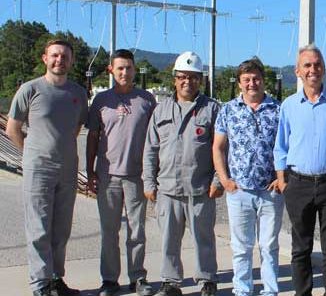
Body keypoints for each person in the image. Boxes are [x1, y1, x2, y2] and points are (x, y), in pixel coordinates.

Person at [6, 39, 88, 296]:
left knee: (61, 228)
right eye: (54, 56)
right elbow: (12, 129)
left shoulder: (78, 93)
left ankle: (55, 279)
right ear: (45, 58)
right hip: (38, 170)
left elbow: (75, 130)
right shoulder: (30, 90)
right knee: (39, 228)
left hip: (67, 169)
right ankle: (40, 284)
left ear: (71, 61)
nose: (59, 60)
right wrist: (32, 154)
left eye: (64, 56)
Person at [273, 45, 326, 296]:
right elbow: (280, 147)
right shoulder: (288, 105)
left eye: (317, 64)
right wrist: (283, 182)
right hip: (299, 185)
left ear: (324, 69)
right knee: (301, 248)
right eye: (307, 65)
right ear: (298, 71)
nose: (312, 70)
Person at [142, 51, 222, 296]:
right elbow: (150, 149)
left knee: (204, 239)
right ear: (175, 79)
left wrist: (218, 180)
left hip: (200, 188)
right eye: (183, 77)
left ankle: (207, 280)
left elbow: (221, 149)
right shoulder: (161, 110)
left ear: (201, 80)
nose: (188, 81)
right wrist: (148, 182)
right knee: (168, 240)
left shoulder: (212, 109)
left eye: (194, 77)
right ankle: (170, 281)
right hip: (167, 188)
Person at [86, 49, 156, 296]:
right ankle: (109, 280)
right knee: (109, 231)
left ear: (135, 69)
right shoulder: (101, 101)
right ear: (111, 71)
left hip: (137, 175)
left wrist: (152, 174)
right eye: (120, 68)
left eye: (129, 68)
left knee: (137, 231)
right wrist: (90, 170)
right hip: (108, 176)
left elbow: (154, 140)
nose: (125, 72)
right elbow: (93, 137)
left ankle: (137, 277)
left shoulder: (147, 100)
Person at [212, 57, 283, 296]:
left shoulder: (278, 109)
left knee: (269, 245)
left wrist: (281, 178)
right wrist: (224, 179)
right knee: (241, 247)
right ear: (240, 83)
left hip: (270, 191)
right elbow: (218, 147)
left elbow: (288, 147)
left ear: (263, 81)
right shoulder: (228, 110)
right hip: (239, 190)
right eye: (246, 80)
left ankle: (270, 290)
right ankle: (242, 289)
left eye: (256, 79)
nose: (252, 83)